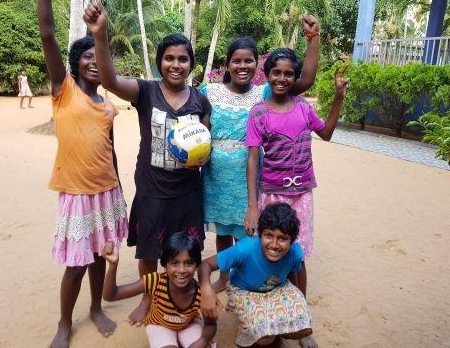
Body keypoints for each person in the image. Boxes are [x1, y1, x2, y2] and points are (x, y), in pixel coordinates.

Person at [83, 0, 211, 325]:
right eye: (169, 58)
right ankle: (148, 298)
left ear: (191, 63)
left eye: (183, 58)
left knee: (187, 249)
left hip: (187, 191)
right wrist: (101, 34)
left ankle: (183, 296)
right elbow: (110, 81)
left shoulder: (200, 99)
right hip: (153, 189)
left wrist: (200, 157)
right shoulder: (145, 92)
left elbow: (206, 144)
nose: (176, 64)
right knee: (150, 251)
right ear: (159, 62)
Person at [200, 16, 320, 292]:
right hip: (216, 174)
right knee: (223, 228)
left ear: (256, 65)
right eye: (237, 61)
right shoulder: (209, 91)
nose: (242, 66)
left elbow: (306, 80)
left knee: (249, 230)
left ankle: (248, 276)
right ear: (227, 64)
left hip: (251, 175)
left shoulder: (265, 91)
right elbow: (196, 125)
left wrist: (313, 40)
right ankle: (224, 277)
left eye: (248, 61)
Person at [37, 0, 129, 347]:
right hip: (76, 194)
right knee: (76, 263)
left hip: (107, 192)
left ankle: (95, 308)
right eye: (86, 56)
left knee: (100, 257)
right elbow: (47, 33)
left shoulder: (107, 105)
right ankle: (64, 323)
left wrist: (119, 190)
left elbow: (110, 150)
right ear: (75, 64)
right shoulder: (64, 89)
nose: (93, 61)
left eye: (98, 56)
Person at [245, 48, 348, 296]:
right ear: (266, 75)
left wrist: (338, 97)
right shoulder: (259, 112)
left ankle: (299, 307)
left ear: (295, 77)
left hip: (301, 193)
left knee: (297, 253)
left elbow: (326, 133)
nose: (282, 78)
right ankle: (275, 301)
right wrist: (252, 207)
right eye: (276, 72)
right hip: (272, 194)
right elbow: (252, 159)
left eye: (289, 74)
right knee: (272, 250)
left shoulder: (303, 107)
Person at [199, 203, 317, 348]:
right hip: (245, 291)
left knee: (301, 323)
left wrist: (297, 301)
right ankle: (248, 333)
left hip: (275, 288)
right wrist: (206, 290)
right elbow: (205, 265)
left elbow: (294, 271)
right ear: (260, 234)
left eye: (282, 238)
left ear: (291, 241)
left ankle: (277, 329)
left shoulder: (295, 253)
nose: (274, 244)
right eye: (268, 235)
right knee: (265, 338)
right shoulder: (245, 249)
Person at [102, 232, 217, 348]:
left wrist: (202, 340)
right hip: (159, 324)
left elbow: (211, 325)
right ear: (164, 264)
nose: (181, 270)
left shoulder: (201, 293)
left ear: (196, 265)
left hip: (189, 324)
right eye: (174, 263)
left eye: (188, 263)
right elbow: (111, 295)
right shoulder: (154, 281)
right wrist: (113, 265)